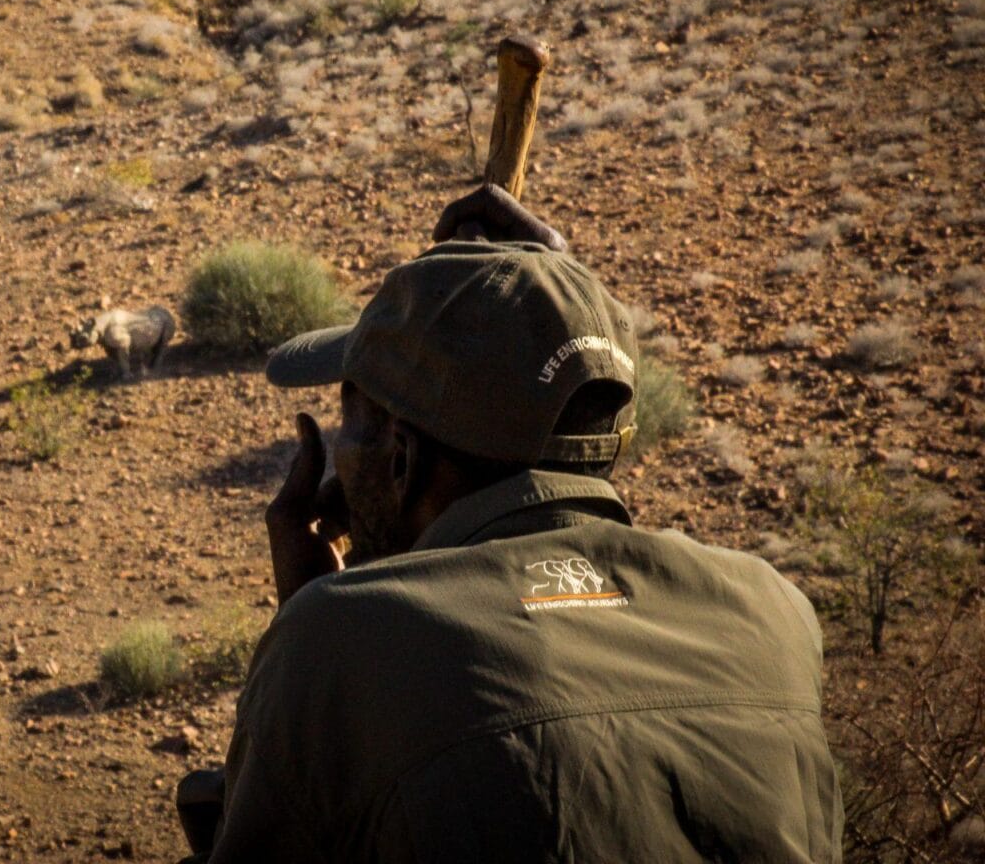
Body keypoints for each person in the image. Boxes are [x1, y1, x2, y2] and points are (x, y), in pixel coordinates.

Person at [177, 187, 843, 863]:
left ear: (402, 459)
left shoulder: (337, 649)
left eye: (349, 421)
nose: (337, 454)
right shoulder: (772, 613)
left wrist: (313, 625)